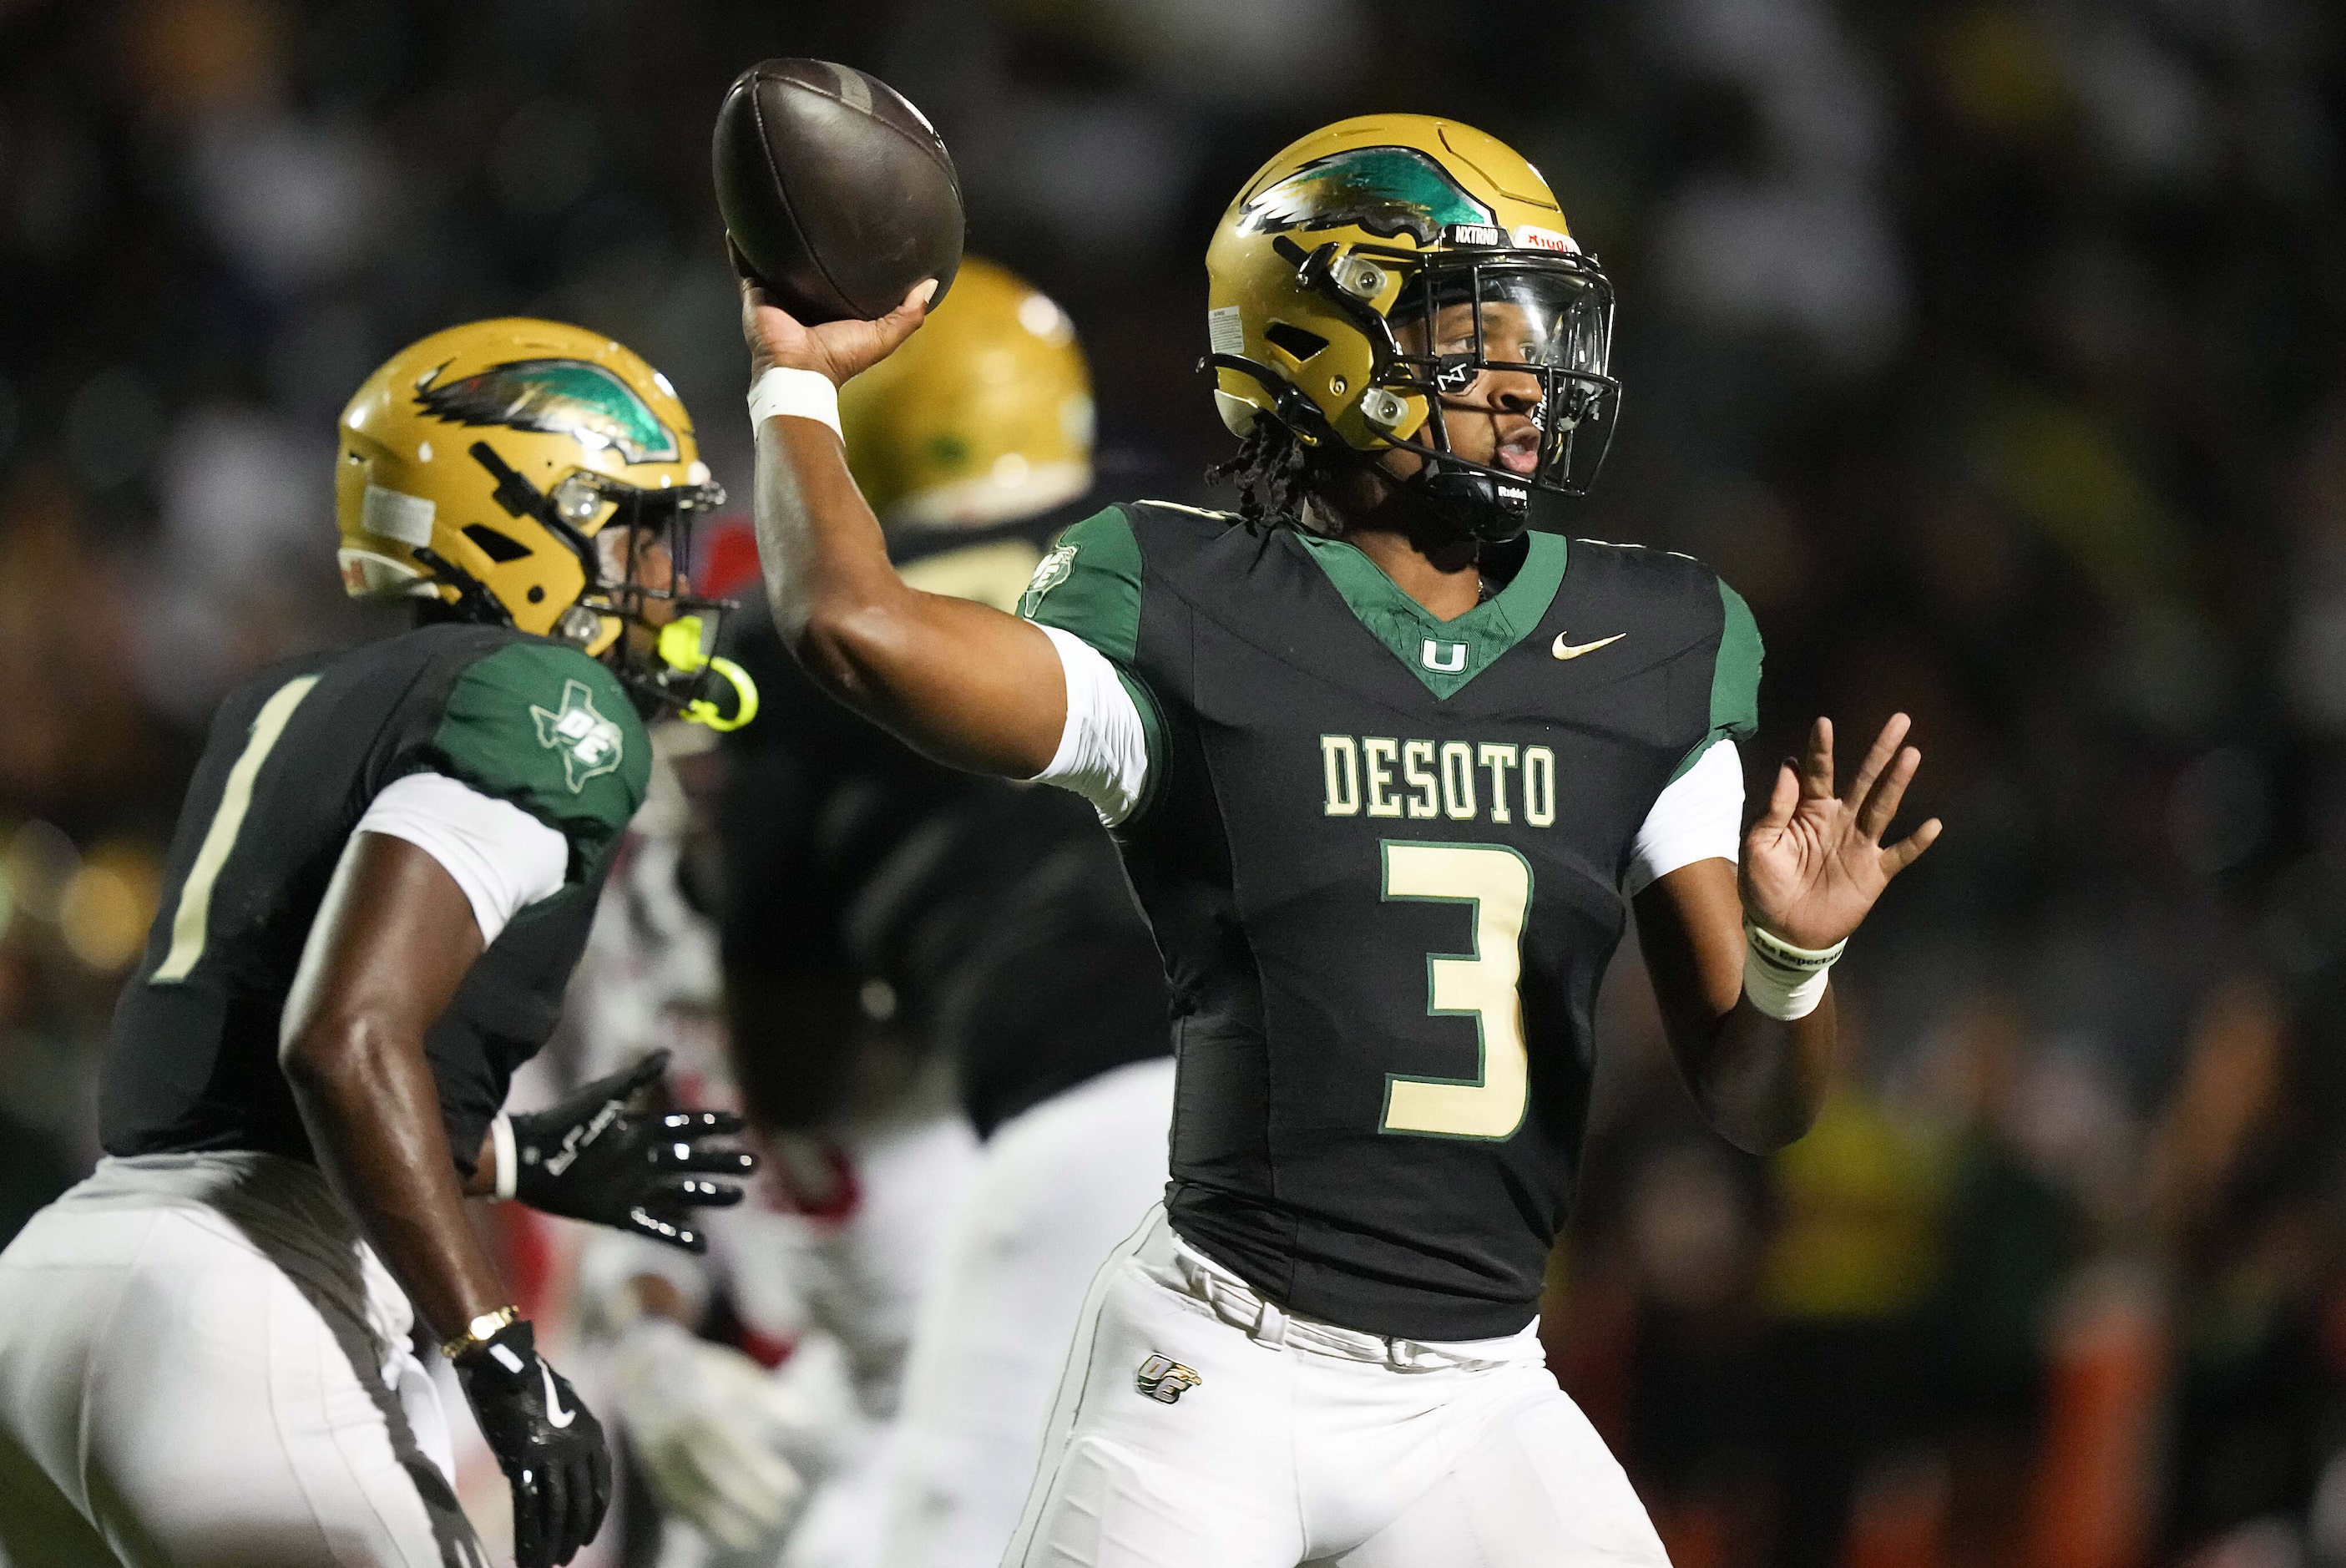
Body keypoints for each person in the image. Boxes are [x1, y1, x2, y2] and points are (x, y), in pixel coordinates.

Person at [736, 112, 1940, 1567]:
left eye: (1537, 329)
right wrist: (795, 387)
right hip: (1215, 1369)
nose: (1528, 377)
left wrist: (1791, 958)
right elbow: (851, 627)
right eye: (1477, 327)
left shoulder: (1652, 643)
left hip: (1480, 1391)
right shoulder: (1178, 595)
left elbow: (1754, 1100)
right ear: (1323, 338)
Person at [0, 320, 758, 1568]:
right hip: (246, 1304)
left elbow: (242, 1079)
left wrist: (512, 1154)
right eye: (632, 529)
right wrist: (497, 1346)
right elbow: (343, 1039)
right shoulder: (543, 701)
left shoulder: (286, 700)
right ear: (523, 525)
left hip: (56, 1290)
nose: (663, 581)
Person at [582, 258, 1172, 1568]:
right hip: (846, 1383)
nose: (700, 763)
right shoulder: (637, 907)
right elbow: (593, 1153)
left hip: (1009, 1350)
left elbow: (788, 1066)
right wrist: (642, 1338)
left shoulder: (846, 769)